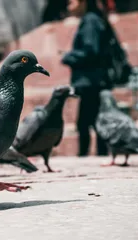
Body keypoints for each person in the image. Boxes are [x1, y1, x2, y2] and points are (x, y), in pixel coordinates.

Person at [61, 0, 111, 157]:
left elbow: (91, 51)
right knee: (94, 120)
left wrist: (69, 57)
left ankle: (87, 155)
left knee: (85, 123)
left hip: (91, 81)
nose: (68, 3)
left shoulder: (90, 21)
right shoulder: (93, 19)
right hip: (93, 80)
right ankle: (98, 154)